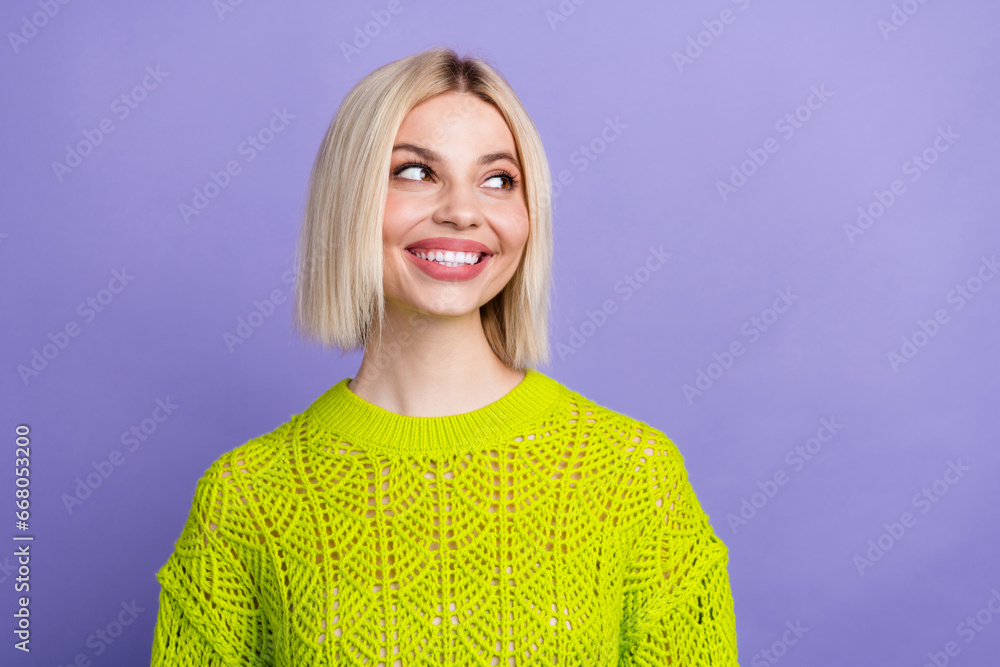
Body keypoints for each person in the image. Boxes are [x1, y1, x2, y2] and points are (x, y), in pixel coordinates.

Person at [149, 47, 738, 666]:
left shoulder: (632, 477)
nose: (462, 211)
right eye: (415, 172)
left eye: (498, 180)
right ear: (347, 201)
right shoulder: (246, 498)